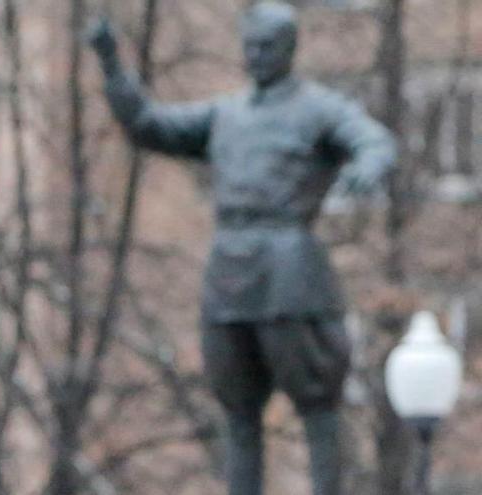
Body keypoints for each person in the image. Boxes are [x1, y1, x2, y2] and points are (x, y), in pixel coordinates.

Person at [89, 2, 396, 494]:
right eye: (248, 45)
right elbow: (148, 124)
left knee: (316, 399)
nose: (255, 55)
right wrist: (110, 63)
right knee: (238, 406)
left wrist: (369, 164)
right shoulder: (225, 114)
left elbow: (374, 140)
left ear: (289, 48)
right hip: (230, 266)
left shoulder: (317, 108)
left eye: (266, 46)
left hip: (288, 262)